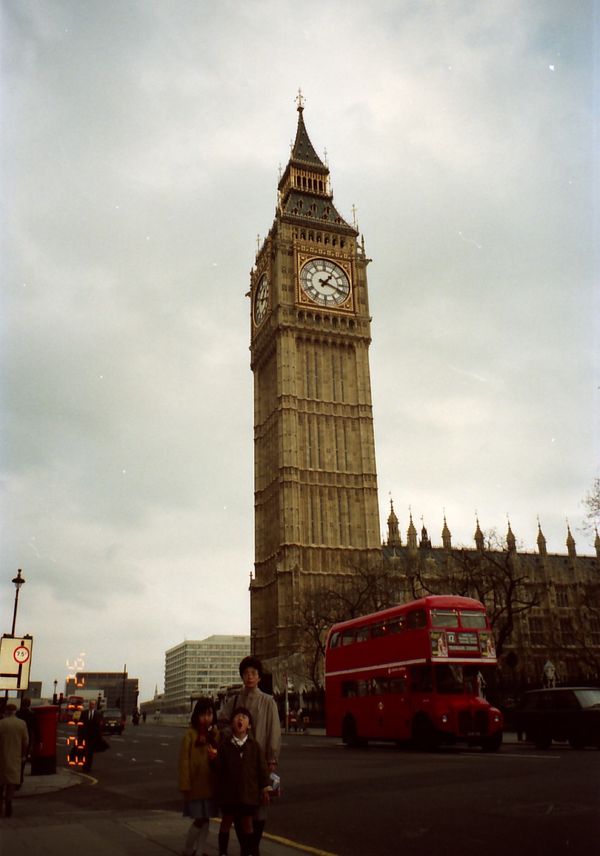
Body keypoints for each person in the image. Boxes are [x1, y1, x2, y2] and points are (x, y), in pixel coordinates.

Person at [218, 656, 281, 854]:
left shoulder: (268, 701)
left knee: (260, 809)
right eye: (246, 673)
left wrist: (272, 758)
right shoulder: (235, 699)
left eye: (253, 673)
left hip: (260, 762)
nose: (250, 677)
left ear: (259, 677)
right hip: (237, 761)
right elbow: (222, 722)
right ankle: (248, 848)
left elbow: (274, 731)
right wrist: (232, 733)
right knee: (240, 808)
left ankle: (252, 847)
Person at [216, 707, 271, 856]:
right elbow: (219, 771)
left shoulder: (254, 746)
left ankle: (248, 852)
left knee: (248, 824)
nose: (240, 719)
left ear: (250, 725)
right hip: (229, 794)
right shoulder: (225, 746)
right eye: (237, 717)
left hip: (248, 794)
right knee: (226, 822)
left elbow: (262, 768)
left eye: (244, 717)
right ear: (232, 723)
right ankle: (223, 852)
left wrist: (265, 787)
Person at [178, 697, 219, 856]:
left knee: (206, 819)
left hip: (211, 785)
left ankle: (200, 851)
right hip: (195, 785)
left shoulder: (216, 735)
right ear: (196, 716)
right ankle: (188, 850)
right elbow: (184, 761)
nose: (206, 718)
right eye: (202, 714)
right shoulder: (190, 735)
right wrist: (185, 784)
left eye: (209, 714)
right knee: (199, 819)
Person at [0, 703, 29, 817]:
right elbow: (25, 742)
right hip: (15, 757)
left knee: (1, 783)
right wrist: (23, 755)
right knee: (11, 784)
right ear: (15, 711)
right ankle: (8, 804)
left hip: (2, 757)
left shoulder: (1, 723)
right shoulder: (21, 724)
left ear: (6, 711)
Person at [79, 700, 105, 772]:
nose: (91, 705)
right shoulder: (84, 713)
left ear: (95, 705)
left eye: (93, 704)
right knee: (84, 752)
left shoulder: (98, 714)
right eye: (91, 704)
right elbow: (80, 725)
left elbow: (100, 726)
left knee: (90, 753)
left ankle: (88, 767)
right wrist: (80, 736)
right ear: (89, 705)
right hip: (85, 735)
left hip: (93, 737)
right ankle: (84, 765)